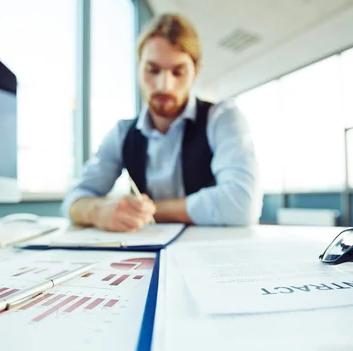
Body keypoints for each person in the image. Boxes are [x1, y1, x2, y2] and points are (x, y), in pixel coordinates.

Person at [61, 13, 262, 232]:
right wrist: (98, 210)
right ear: (138, 68)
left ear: (196, 71)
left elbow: (243, 203)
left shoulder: (222, 118)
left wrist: (150, 210)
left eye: (178, 72)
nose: (164, 85)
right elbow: (73, 200)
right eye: (153, 70)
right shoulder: (122, 133)